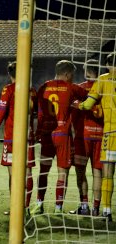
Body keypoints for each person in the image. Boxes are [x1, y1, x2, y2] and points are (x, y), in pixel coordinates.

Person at [31, 60, 87, 215]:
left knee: (43, 171)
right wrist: (76, 104)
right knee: (62, 172)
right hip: (62, 134)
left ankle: (38, 204)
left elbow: (38, 110)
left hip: (47, 134)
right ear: (67, 74)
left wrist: (38, 131)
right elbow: (90, 97)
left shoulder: (44, 86)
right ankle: (58, 208)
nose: (73, 78)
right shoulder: (72, 87)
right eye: (73, 75)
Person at [0, 61, 36, 215]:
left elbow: (1, 112)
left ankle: (15, 208)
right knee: (27, 173)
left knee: (12, 174)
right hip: (28, 137)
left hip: (11, 138)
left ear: (9, 74)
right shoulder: (32, 91)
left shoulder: (8, 89)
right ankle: (26, 207)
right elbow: (38, 115)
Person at [76, 52, 116, 222]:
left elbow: (88, 104)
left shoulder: (104, 79)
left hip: (111, 133)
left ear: (107, 64)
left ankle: (106, 211)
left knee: (107, 174)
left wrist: (79, 105)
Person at [69, 59, 103, 216]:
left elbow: (74, 114)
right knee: (98, 172)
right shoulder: (106, 87)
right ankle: (96, 208)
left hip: (83, 136)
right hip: (102, 135)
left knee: (80, 172)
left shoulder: (80, 88)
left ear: (87, 71)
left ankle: (84, 206)